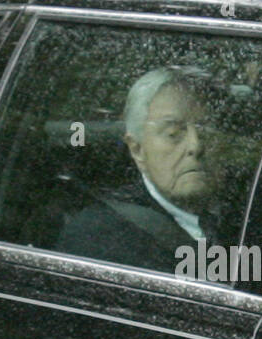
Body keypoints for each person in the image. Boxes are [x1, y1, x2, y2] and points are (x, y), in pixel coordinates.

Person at [56, 67, 223, 271]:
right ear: (137, 149)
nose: (196, 146)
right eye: (173, 133)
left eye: (208, 129)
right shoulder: (100, 238)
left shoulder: (255, 209)